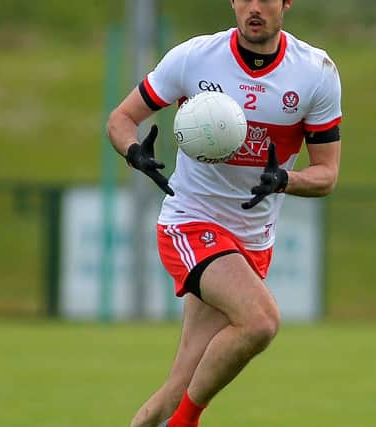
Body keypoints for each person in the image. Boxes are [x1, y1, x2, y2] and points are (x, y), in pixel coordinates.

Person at [107, 1, 342, 426]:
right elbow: (122, 118)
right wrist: (134, 151)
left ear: (287, 2)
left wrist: (285, 180)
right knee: (261, 321)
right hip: (191, 222)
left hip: (252, 241)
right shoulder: (195, 58)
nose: (255, 7)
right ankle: (187, 423)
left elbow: (327, 174)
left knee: (179, 384)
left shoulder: (315, 72)